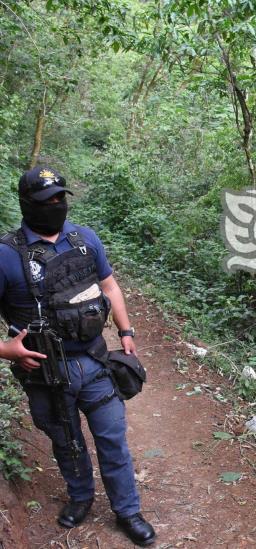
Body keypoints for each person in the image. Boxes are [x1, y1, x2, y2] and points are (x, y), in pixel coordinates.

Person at [0, 167, 156, 546]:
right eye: (46, 201)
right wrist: (7, 350)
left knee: (113, 438)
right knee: (66, 440)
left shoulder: (84, 239)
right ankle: (81, 497)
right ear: (26, 204)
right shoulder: (6, 256)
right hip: (44, 371)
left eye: (60, 198)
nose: (56, 206)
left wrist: (126, 331)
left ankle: (128, 511)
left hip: (94, 361)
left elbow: (108, 285)